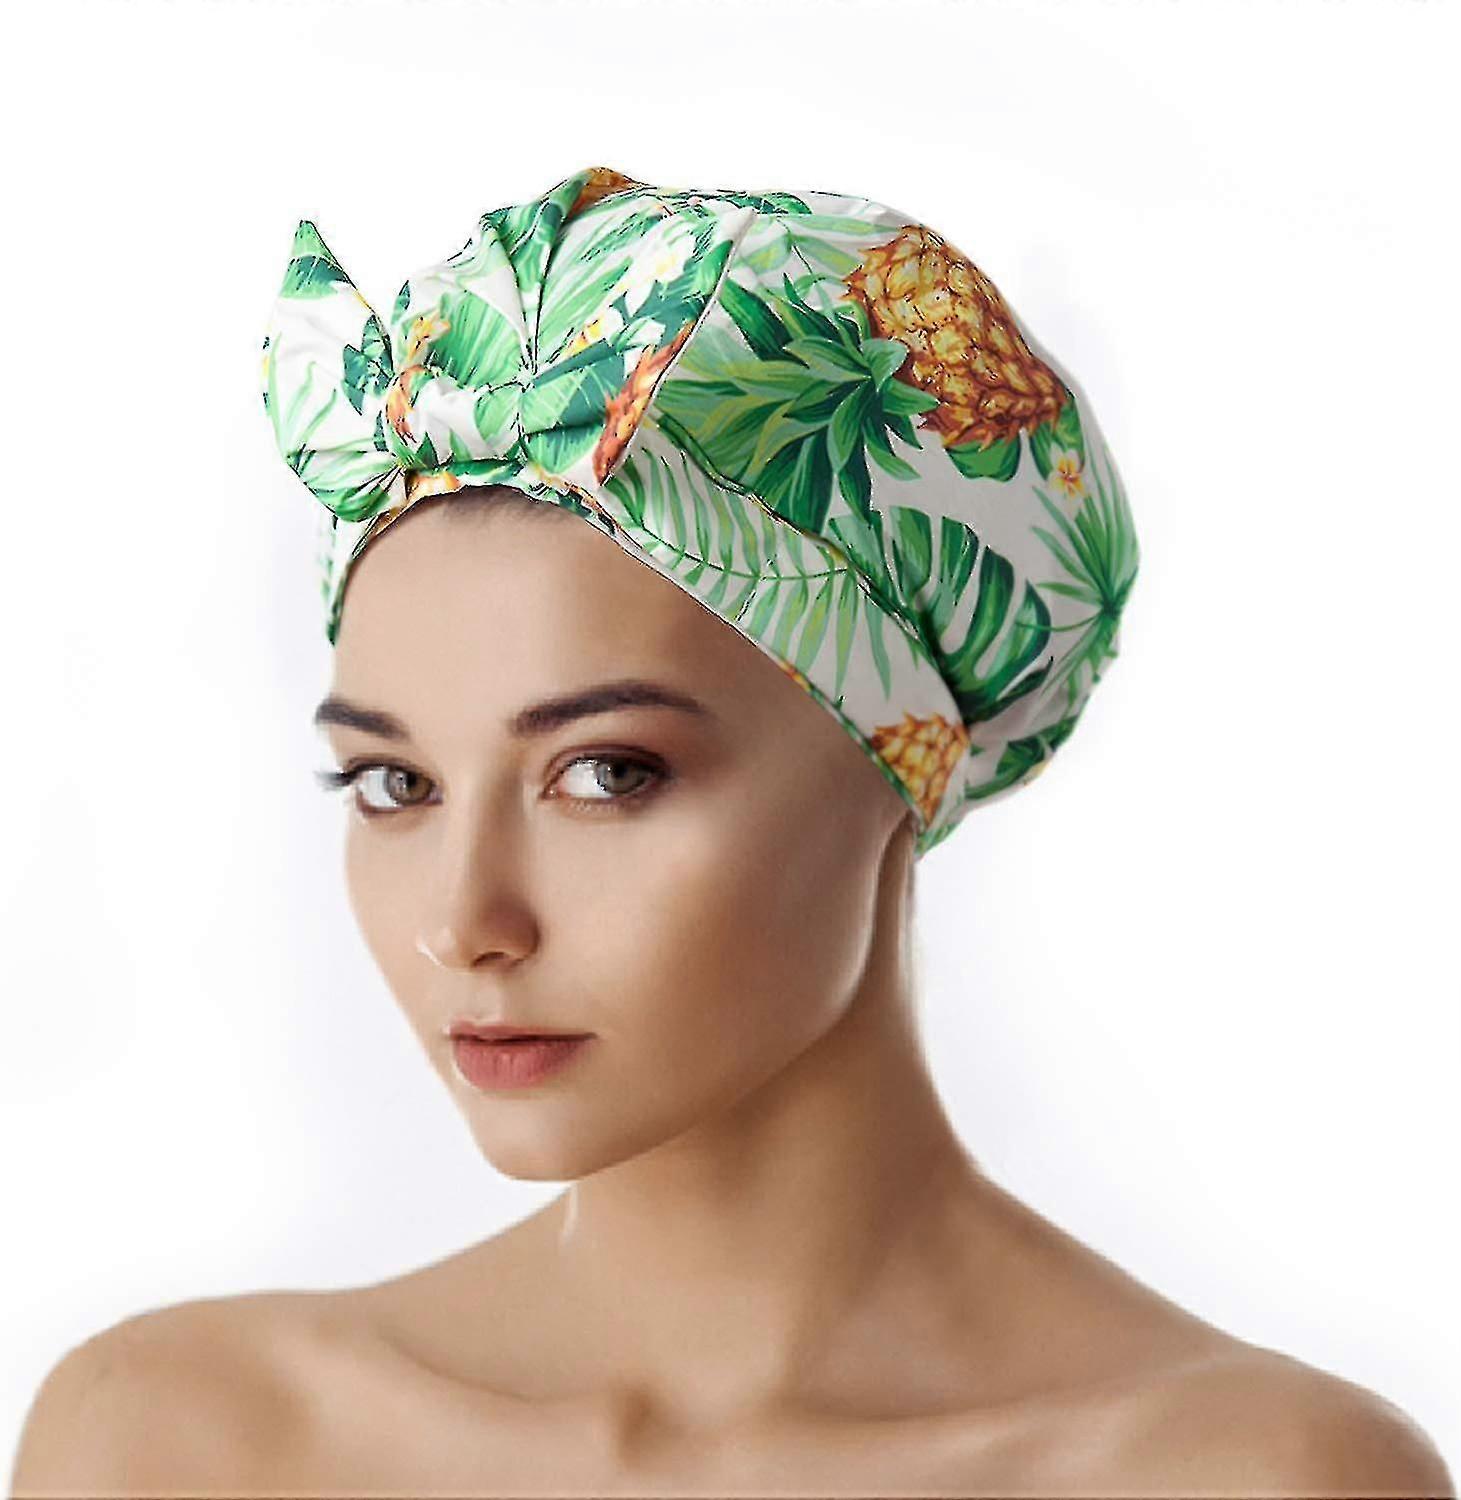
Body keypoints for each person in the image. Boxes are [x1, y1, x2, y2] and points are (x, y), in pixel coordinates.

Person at [12, 164, 1455, 1497]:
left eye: (606, 774)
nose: (465, 923)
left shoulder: (1246, 1478)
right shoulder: (175, 1441)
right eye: (396, 785)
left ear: (903, 756)